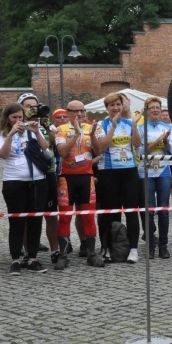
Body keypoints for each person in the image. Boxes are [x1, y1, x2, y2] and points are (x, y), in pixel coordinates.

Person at [0, 103, 50, 275]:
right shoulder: (0, 134)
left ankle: (33, 258)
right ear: (7, 118)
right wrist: (10, 135)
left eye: (20, 117)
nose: (18, 120)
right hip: (14, 181)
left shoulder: (29, 131)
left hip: (36, 180)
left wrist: (35, 131)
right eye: (14, 118)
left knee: (35, 220)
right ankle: (15, 259)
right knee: (16, 221)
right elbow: (2, 154)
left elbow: (45, 147)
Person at [93, 92, 142, 263]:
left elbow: (137, 144)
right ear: (106, 108)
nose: (115, 108)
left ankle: (133, 249)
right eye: (112, 105)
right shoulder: (101, 124)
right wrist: (113, 127)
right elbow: (101, 147)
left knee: (131, 211)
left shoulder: (130, 122)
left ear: (122, 106)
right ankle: (108, 248)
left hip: (129, 171)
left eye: (118, 104)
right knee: (110, 213)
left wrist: (135, 127)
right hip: (108, 172)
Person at [55, 101, 100, 268]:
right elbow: (62, 152)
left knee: (88, 217)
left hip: (86, 178)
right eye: (76, 111)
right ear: (68, 113)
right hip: (66, 179)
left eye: (82, 110)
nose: (80, 114)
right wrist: (75, 133)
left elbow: (99, 151)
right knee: (65, 217)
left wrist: (93, 135)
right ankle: (63, 255)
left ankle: (92, 254)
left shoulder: (91, 128)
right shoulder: (62, 129)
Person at [18, 93, 57, 260]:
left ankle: (55, 250)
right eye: (28, 106)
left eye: (35, 105)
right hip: (29, 174)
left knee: (51, 213)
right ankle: (28, 250)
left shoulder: (45, 123)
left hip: (48, 172)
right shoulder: (18, 125)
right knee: (29, 215)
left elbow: (55, 143)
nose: (33, 109)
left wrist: (47, 126)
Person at [136, 97, 172, 259]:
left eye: (158, 107)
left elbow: (170, 152)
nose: (155, 110)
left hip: (164, 169)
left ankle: (163, 246)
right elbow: (141, 152)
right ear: (146, 110)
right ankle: (151, 244)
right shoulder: (139, 128)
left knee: (164, 210)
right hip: (146, 171)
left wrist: (165, 142)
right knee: (149, 210)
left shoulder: (167, 126)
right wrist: (157, 141)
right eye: (152, 107)